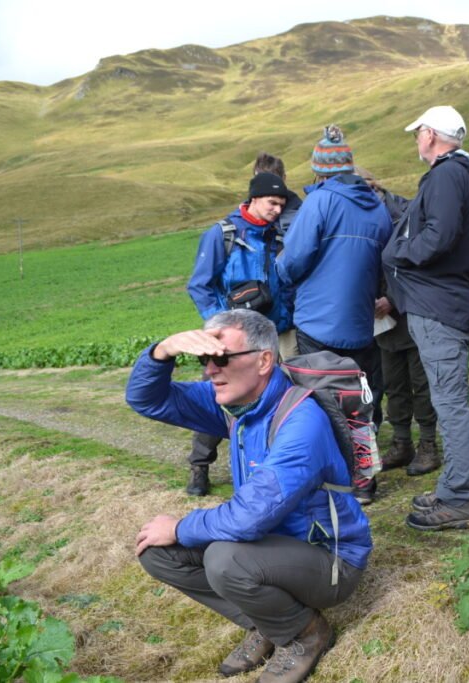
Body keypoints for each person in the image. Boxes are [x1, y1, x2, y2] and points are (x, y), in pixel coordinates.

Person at [127, 309, 371, 683]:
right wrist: (162, 351)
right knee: (158, 553)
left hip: (332, 562)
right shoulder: (236, 405)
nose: (210, 370)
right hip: (269, 547)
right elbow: (147, 400)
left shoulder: (301, 422)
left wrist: (181, 525)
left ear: (264, 361)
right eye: (205, 359)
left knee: (226, 559)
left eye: (221, 358)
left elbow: (248, 518)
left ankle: (304, 634)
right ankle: (268, 622)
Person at [381, 105, 469, 531]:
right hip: (444, 302)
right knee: (449, 399)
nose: (416, 141)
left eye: (417, 134)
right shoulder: (457, 175)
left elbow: (439, 236)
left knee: (449, 401)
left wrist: (399, 255)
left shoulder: (447, 175)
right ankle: (452, 486)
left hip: (439, 304)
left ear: (430, 134)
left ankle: (460, 498)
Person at [183, 165, 302, 497]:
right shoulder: (223, 234)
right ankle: (199, 465)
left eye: (281, 204)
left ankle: (267, 461)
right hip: (234, 337)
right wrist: (222, 327)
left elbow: (287, 282)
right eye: (272, 203)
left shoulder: (278, 235)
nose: (278, 210)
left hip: (277, 331)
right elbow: (200, 286)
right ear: (254, 198)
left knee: (276, 396)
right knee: (221, 396)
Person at [277, 125, 392, 374]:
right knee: (355, 394)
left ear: (319, 170)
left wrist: (280, 271)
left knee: (320, 394)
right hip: (361, 322)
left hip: (317, 320)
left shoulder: (319, 200)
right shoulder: (378, 207)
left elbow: (294, 259)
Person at [359, 169, 440, 477]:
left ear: (373, 188)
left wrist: (392, 298)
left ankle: (429, 445)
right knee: (394, 384)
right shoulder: (364, 218)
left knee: (421, 383)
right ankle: (402, 443)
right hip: (383, 322)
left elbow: (417, 264)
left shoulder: (405, 215)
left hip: (412, 312)